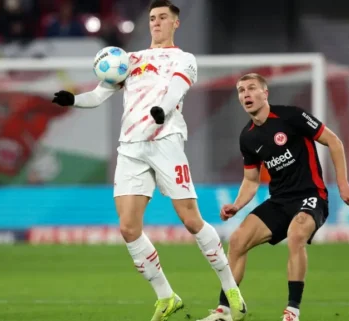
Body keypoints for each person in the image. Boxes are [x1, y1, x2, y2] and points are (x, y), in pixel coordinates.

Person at [50, 1, 247, 321]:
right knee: (128, 228)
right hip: (130, 148)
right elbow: (100, 95)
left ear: (175, 23)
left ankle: (232, 290)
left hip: (165, 143)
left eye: (162, 18)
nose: (155, 23)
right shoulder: (129, 60)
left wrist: (162, 110)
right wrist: (73, 100)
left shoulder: (183, 59)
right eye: (153, 18)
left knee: (191, 220)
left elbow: (177, 88)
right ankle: (166, 297)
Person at [197, 73, 349, 321]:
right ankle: (225, 310)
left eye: (252, 88)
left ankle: (292, 311)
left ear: (265, 93)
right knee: (238, 240)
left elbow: (333, 141)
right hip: (280, 201)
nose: (246, 94)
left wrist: (342, 183)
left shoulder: (291, 116)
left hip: (311, 196)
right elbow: (251, 180)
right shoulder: (248, 137)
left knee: (296, 236)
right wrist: (237, 205)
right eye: (241, 91)